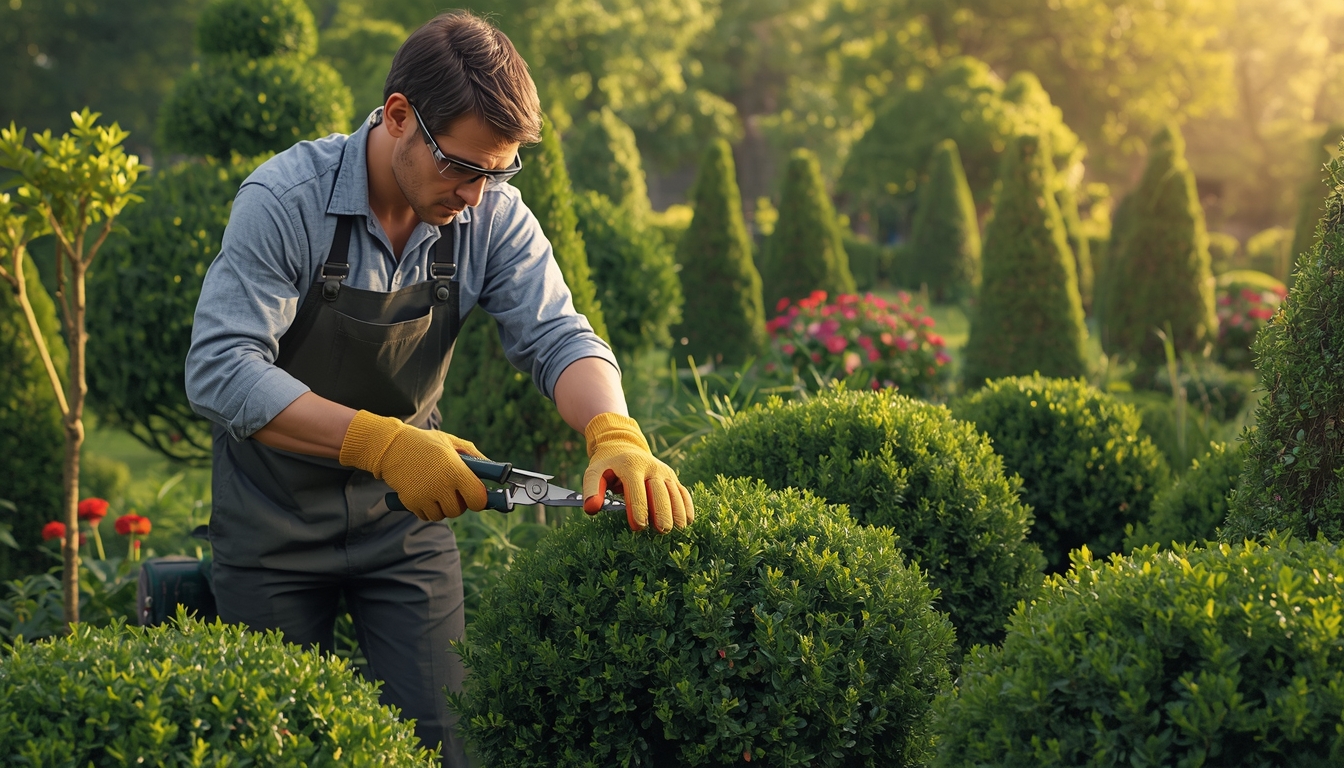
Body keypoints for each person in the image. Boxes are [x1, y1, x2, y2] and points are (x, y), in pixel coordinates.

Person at [184, 11, 693, 764]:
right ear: (398, 118)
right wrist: (382, 442)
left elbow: (559, 335)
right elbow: (222, 368)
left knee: (447, 743)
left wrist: (613, 432)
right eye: (465, 167)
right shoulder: (286, 201)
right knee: (273, 746)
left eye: (500, 171)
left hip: (407, 521)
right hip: (273, 526)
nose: (480, 195)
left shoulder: (490, 217)